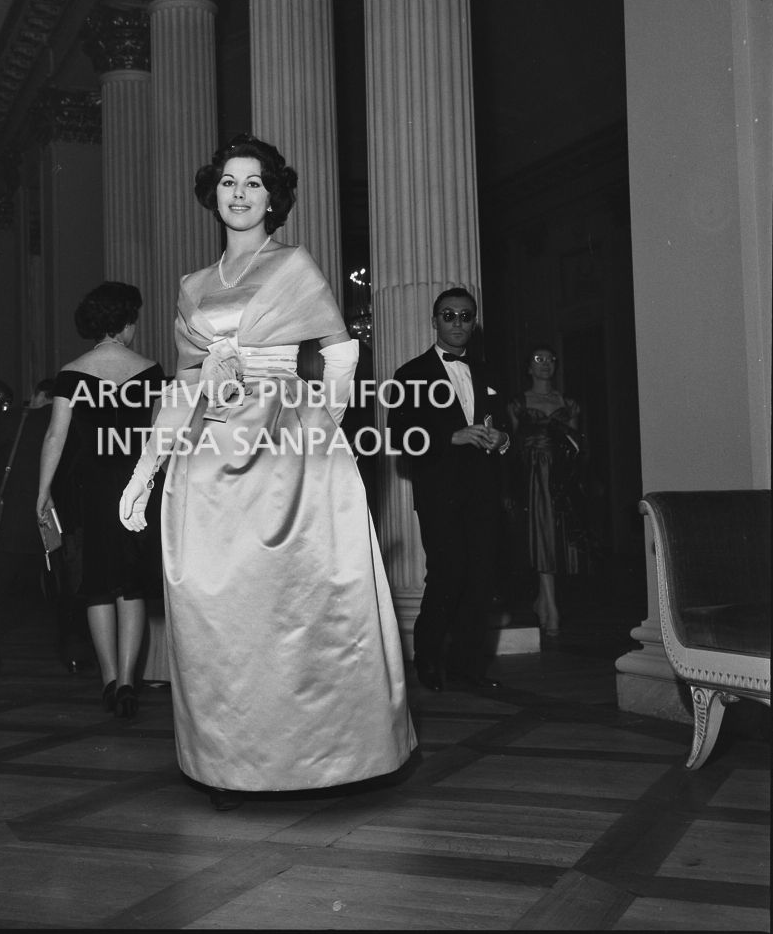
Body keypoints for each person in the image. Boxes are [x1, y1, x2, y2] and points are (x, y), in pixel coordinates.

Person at [118, 133, 416, 810]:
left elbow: (340, 352)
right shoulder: (193, 286)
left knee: (294, 608)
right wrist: (146, 467)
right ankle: (231, 764)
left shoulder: (294, 266)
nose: (241, 193)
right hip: (209, 460)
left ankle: (316, 760)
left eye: (254, 182)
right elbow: (184, 384)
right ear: (213, 193)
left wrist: (322, 426)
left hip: (287, 453)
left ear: (273, 196)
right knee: (218, 611)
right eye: (229, 181)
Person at [38, 282, 167, 719]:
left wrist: (42, 492)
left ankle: (109, 680)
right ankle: (129, 682)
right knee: (131, 586)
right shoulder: (150, 370)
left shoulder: (71, 372)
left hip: (86, 488)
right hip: (136, 487)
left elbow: (55, 437)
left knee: (96, 586)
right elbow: (158, 438)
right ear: (126, 322)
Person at [387, 288, 511, 694]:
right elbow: (399, 436)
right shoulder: (411, 373)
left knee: (481, 579)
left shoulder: (489, 372)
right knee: (447, 574)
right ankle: (428, 660)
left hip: (484, 492)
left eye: (465, 315)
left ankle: (467, 667)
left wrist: (503, 439)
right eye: (449, 315)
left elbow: (508, 428)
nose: (457, 322)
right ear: (434, 321)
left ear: (474, 323)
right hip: (440, 492)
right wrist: (451, 437)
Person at [0, 379, 84, 679]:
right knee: (67, 593)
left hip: (12, 526)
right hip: (60, 528)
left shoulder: (23, 419)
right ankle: (77, 656)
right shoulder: (78, 424)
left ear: (40, 396)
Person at [506, 345, 584, 637]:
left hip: (561, 477)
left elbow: (577, 446)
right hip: (532, 478)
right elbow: (512, 448)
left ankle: (543, 600)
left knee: (557, 539)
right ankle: (551, 606)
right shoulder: (517, 404)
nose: (545, 364)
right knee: (542, 537)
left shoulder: (569, 403)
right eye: (539, 359)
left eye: (551, 359)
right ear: (529, 367)